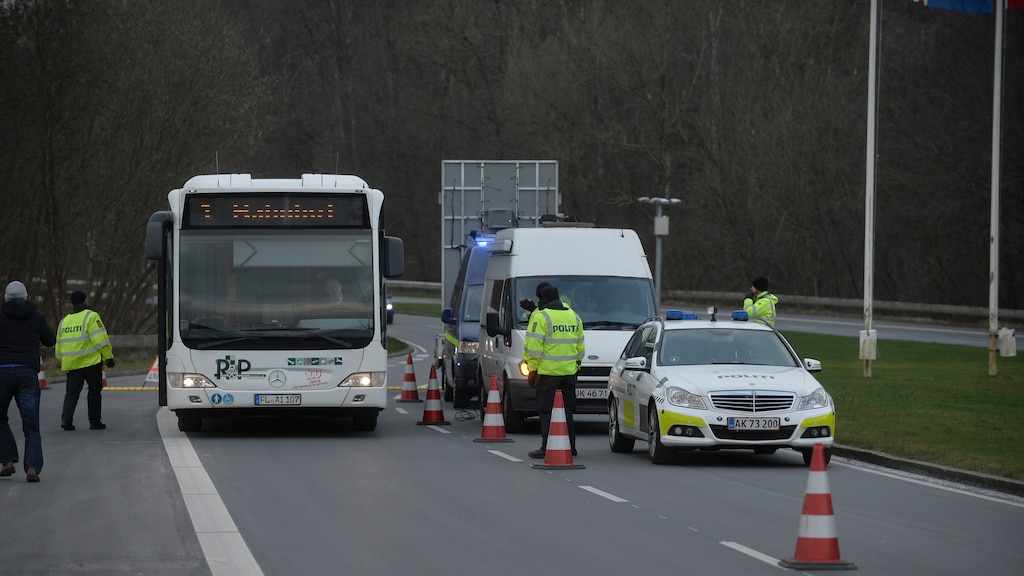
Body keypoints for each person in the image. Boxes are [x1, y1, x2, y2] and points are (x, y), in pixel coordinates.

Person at [0, 280, 56, 483]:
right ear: (26, 297)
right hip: (28, 374)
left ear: (6, 298)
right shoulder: (36, 317)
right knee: (31, 425)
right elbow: (50, 340)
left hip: (2, 372)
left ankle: (7, 460)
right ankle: (32, 467)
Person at [523, 285, 585, 459]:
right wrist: (575, 366)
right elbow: (580, 347)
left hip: (548, 374)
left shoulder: (541, 317)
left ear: (542, 299)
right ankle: (570, 446)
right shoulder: (574, 316)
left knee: (546, 410)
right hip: (568, 374)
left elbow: (534, 348)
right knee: (567, 411)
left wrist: (532, 371)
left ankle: (546, 446)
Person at [55, 290, 115, 431]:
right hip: (91, 363)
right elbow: (100, 338)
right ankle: (95, 422)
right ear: (85, 301)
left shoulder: (64, 321)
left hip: (72, 364)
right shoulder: (91, 316)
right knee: (94, 392)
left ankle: (66, 420)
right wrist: (108, 357)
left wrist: (62, 360)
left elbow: (59, 346)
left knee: (71, 393)